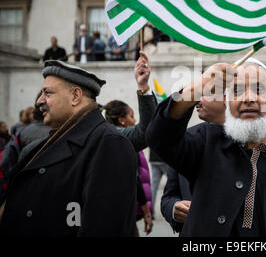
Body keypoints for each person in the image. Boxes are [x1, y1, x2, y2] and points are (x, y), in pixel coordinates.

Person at [147, 59, 266, 236]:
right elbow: (159, 138)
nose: (249, 98)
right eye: (237, 90)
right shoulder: (203, 144)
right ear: (227, 100)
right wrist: (197, 87)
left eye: (258, 89)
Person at [0, 60, 137, 236]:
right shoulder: (43, 145)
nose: (39, 101)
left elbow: (103, 227)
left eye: (47, 93)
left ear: (75, 96)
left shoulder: (109, 144)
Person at [103, 51, 158, 236]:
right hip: (115, 218)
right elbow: (146, 132)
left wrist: (145, 211)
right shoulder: (116, 139)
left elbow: (135, 179)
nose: (134, 120)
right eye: (132, 116)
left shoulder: (121, 139)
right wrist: (142, 86)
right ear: (121, 121)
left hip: (127, 216)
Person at [161, 88, 226, 234]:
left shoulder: (253, 142)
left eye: (205, 94)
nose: (197, 101)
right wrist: (173, 208)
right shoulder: (185, 139)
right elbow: (168, 197)